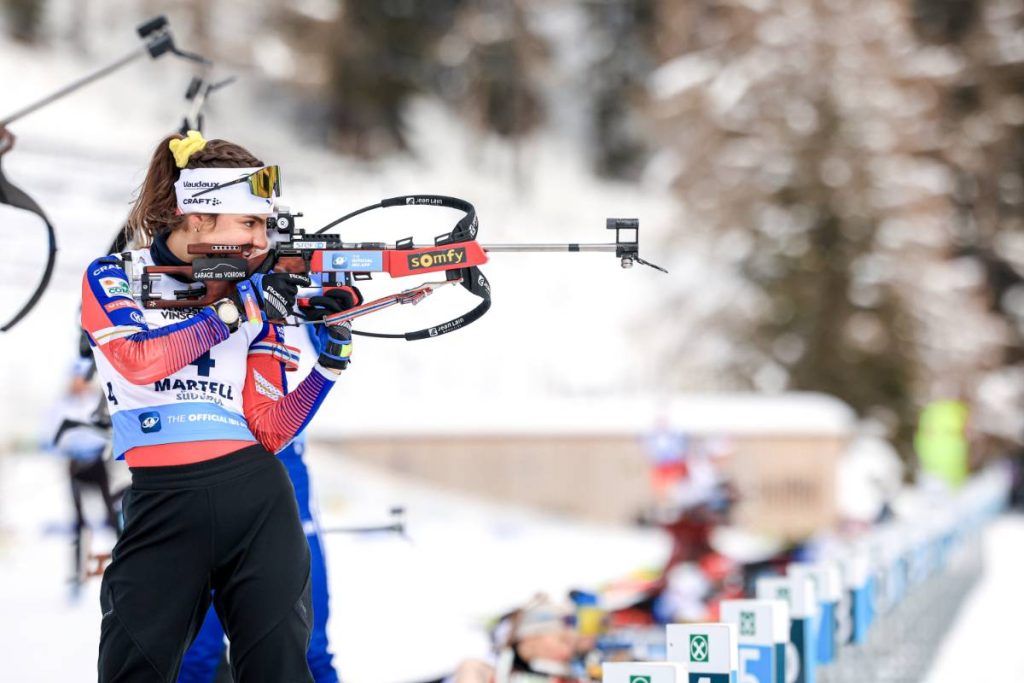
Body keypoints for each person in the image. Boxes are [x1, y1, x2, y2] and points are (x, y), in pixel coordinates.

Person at [81, 130, 355, 682]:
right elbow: (138, 360)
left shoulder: (255, 294)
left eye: (265, 225)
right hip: (162, 501)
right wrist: (234, 312)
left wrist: (328, 365)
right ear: (198, 217)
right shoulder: (114, 276)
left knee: (282, 669)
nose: (262, 240)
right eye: (249, 223)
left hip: (256, 498)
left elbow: (269, 429)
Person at [179, 321, 346, 682]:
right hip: (202, 477)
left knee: (310, 648)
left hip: (284, 479)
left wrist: (337, 317)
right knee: (194, 653)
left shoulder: (304, 300)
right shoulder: (192, 296)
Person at [47, 354, 119, 594]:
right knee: (78, 521)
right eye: (75, 378)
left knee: (112, 515)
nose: (79, 382)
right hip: (75, 465)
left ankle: (124, 562)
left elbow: (107, 430)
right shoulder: (60, 405)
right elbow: (53, 436)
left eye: (82, 377)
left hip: (98, 463)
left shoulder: (97, 399)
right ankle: (77, 574)